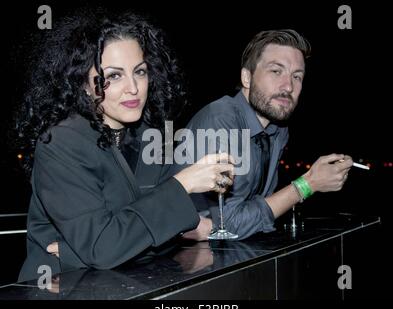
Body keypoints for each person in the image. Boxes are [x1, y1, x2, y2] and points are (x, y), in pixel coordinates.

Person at [15, 10, 234, 282]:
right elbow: (107, 249)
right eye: (114, 76)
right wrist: (182, 185)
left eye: (139, 72)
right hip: (61, 287)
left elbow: (166, 239)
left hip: (128, 284)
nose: (133, 87)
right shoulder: (61, 143)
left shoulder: (151, 137)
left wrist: (80, 251)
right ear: (83, 83)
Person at [169, 29, 353, 240]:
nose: (288, 86)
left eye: (297, 76)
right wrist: (308, 184)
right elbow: (228, 224)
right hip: (183, 258)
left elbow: (259, 208)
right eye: (276, 71)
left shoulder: (278, 129)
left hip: (235, 251)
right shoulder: (221, 119)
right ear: (247, 77)